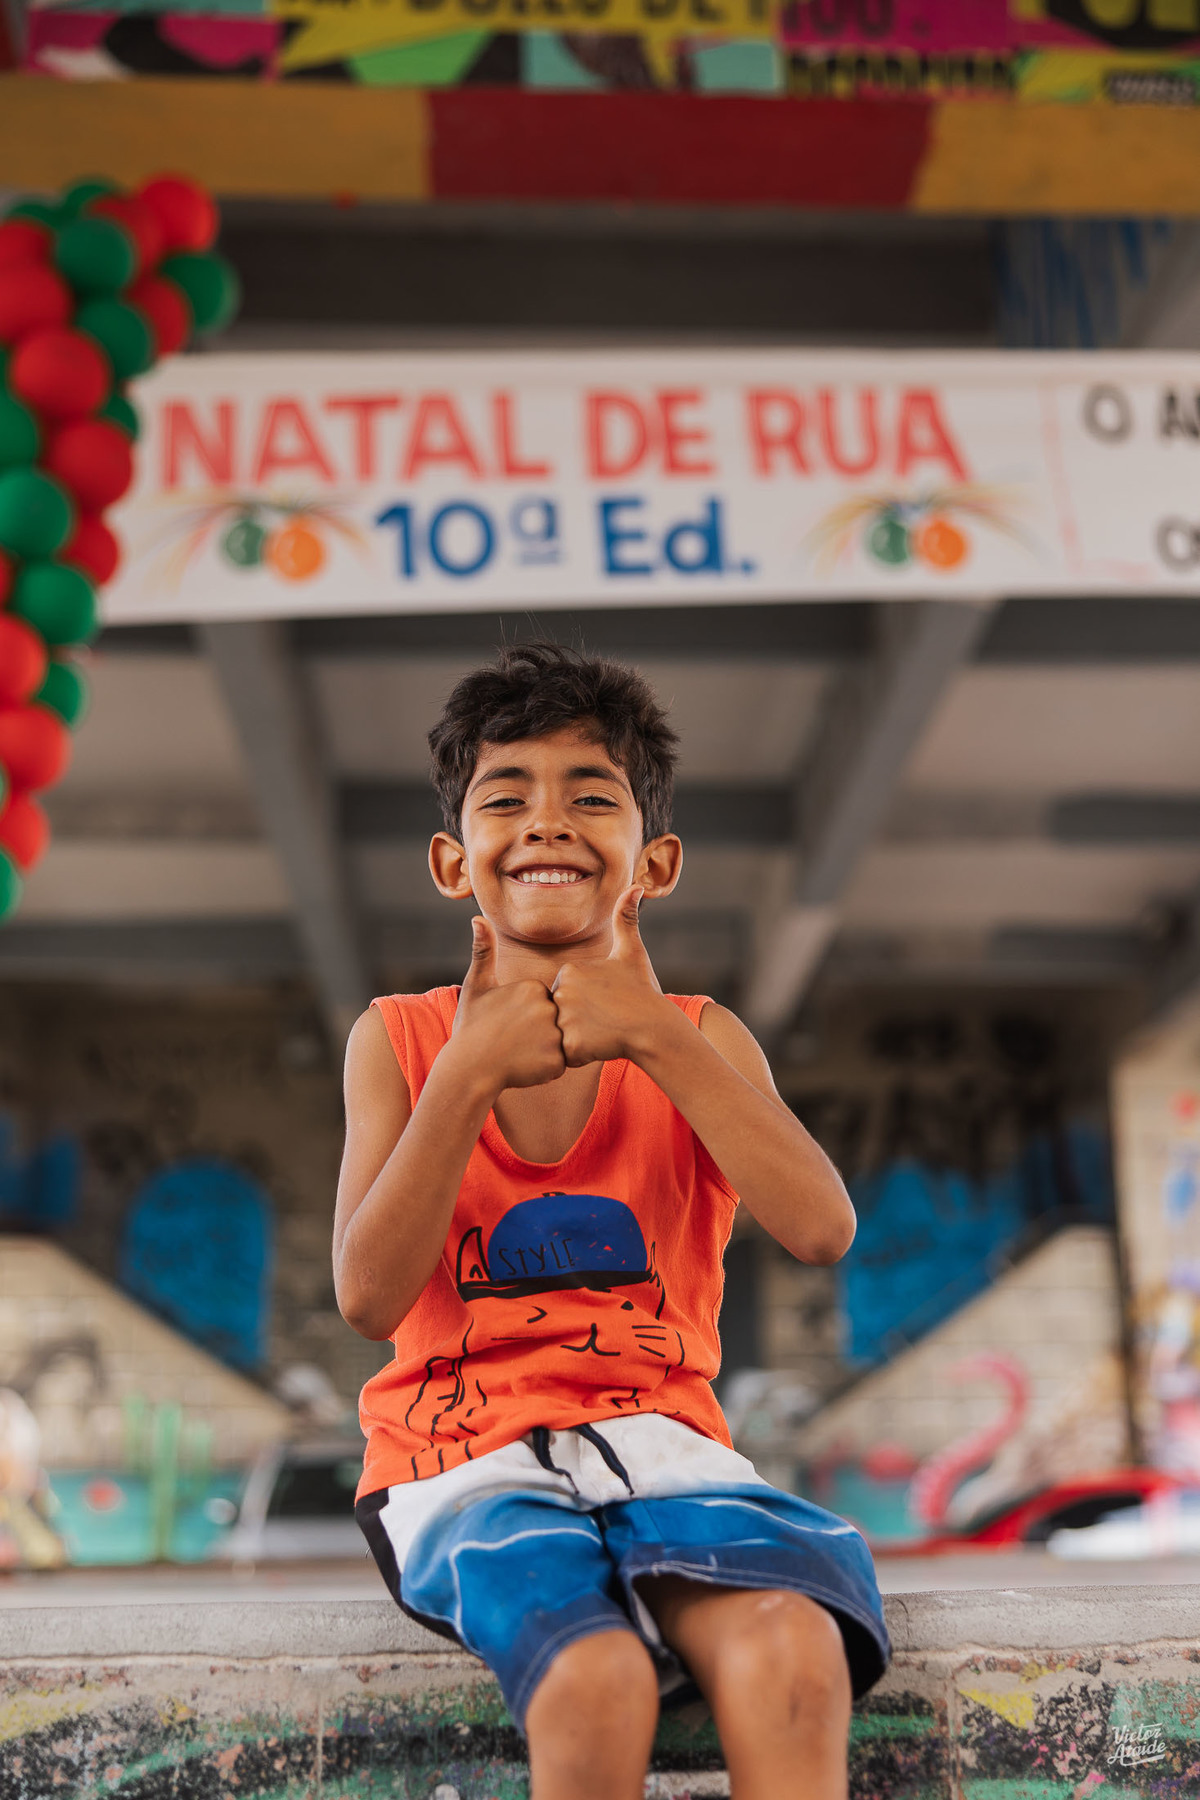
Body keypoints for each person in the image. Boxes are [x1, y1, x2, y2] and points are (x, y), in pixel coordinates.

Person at [334, 643, 889, 1800]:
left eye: (593, 796)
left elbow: (823, 1228)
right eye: (507, 798)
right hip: (463, 1464)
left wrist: (654, 1035)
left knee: (792, 1654)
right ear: (452, 863)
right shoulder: (398, 1041)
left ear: (656, 861)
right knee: (597, 1679)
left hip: (664, 1455)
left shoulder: (701, 1036)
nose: (548, 823)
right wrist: (466, 1076)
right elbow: (368, 1297)